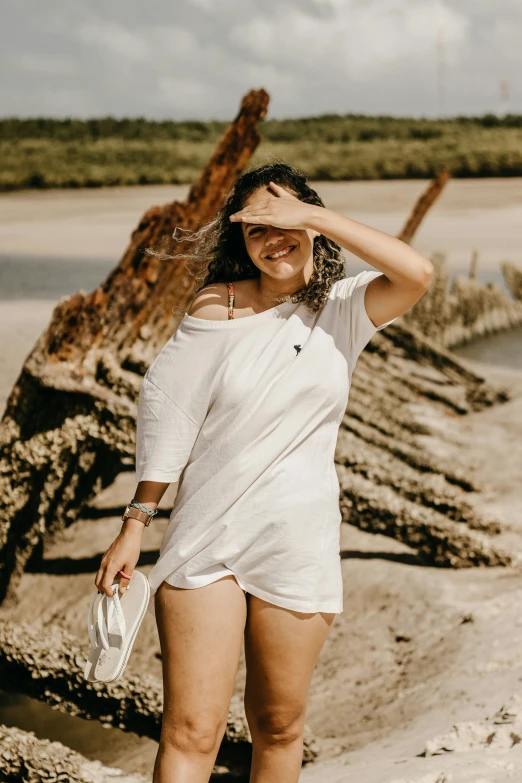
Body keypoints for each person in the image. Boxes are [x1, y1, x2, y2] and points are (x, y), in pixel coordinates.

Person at [95, 162, 434, 783]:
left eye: (282, 223)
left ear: (312, 224)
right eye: (255, 229)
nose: (272, 239)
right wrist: (135, 523)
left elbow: (419, 273)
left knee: (278, 726)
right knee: (191, 731)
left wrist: (308, 215)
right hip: (207, 534)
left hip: (296, 538)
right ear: (240, 241)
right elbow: (171, 415)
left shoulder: (345, 307)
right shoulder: (218, 305)